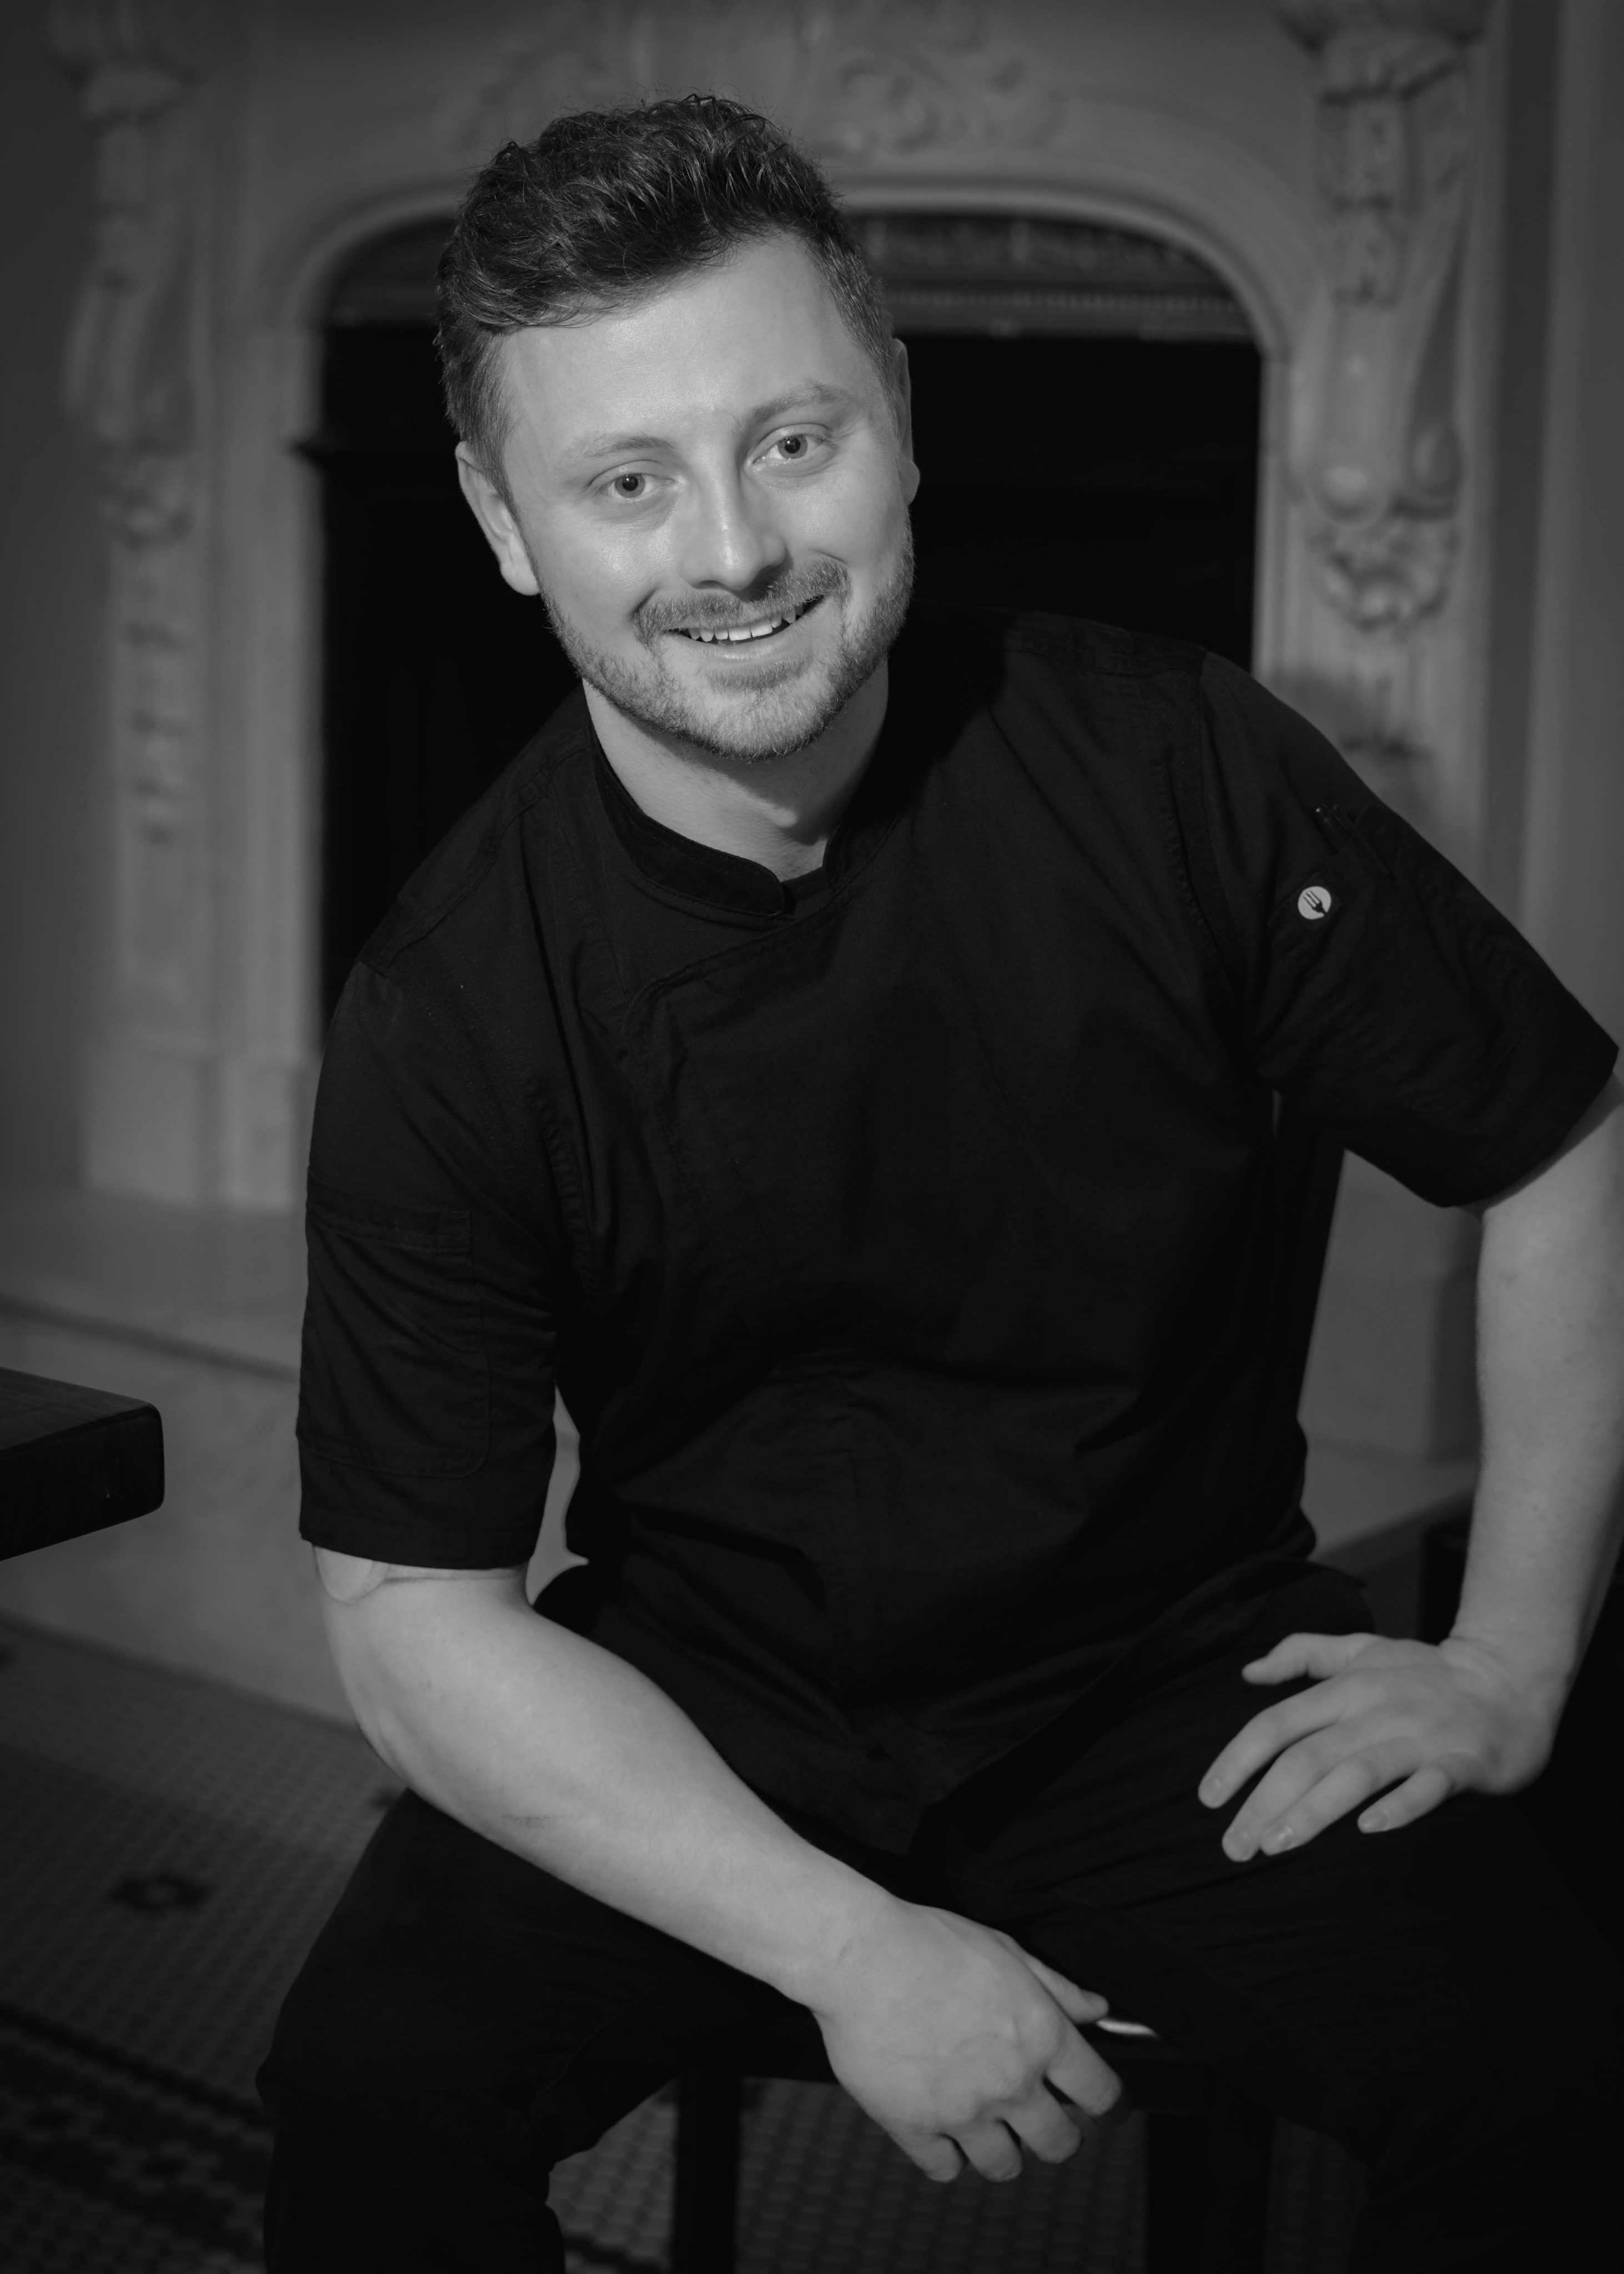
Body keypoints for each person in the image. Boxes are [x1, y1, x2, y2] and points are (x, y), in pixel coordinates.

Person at [260, 97, 1624, 2272]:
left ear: (893, 414)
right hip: (707, 1707)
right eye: (624, 480)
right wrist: (846, 1943)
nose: (729, 549)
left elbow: (1554, 1135)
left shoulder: (1172, 763)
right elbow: (413, 1621)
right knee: (362, 2110)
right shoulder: (453, 1000)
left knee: (1568, 2088)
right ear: (503, 525)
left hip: (1167, 1680)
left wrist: (1511, 1655)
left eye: (786, 439)